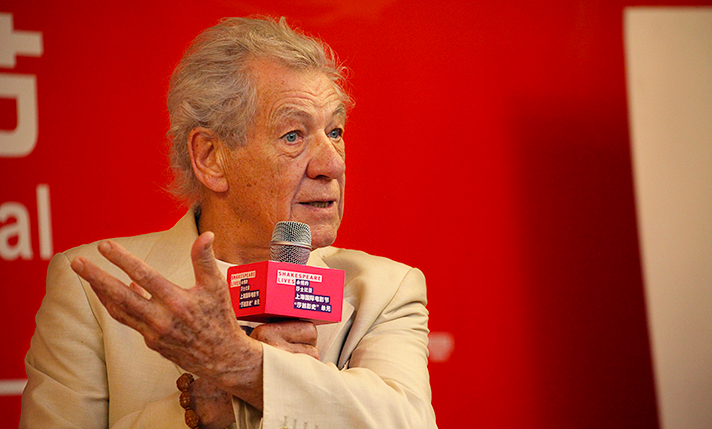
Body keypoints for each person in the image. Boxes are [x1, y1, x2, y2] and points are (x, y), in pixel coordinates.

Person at [20, 16, 437, 429]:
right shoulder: (93, 290)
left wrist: (247, 370)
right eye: (293, 135)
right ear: (210, 158)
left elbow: (409, 422)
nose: (332, 164)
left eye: (335, 132)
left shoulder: (383, 290)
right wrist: (204, 411)